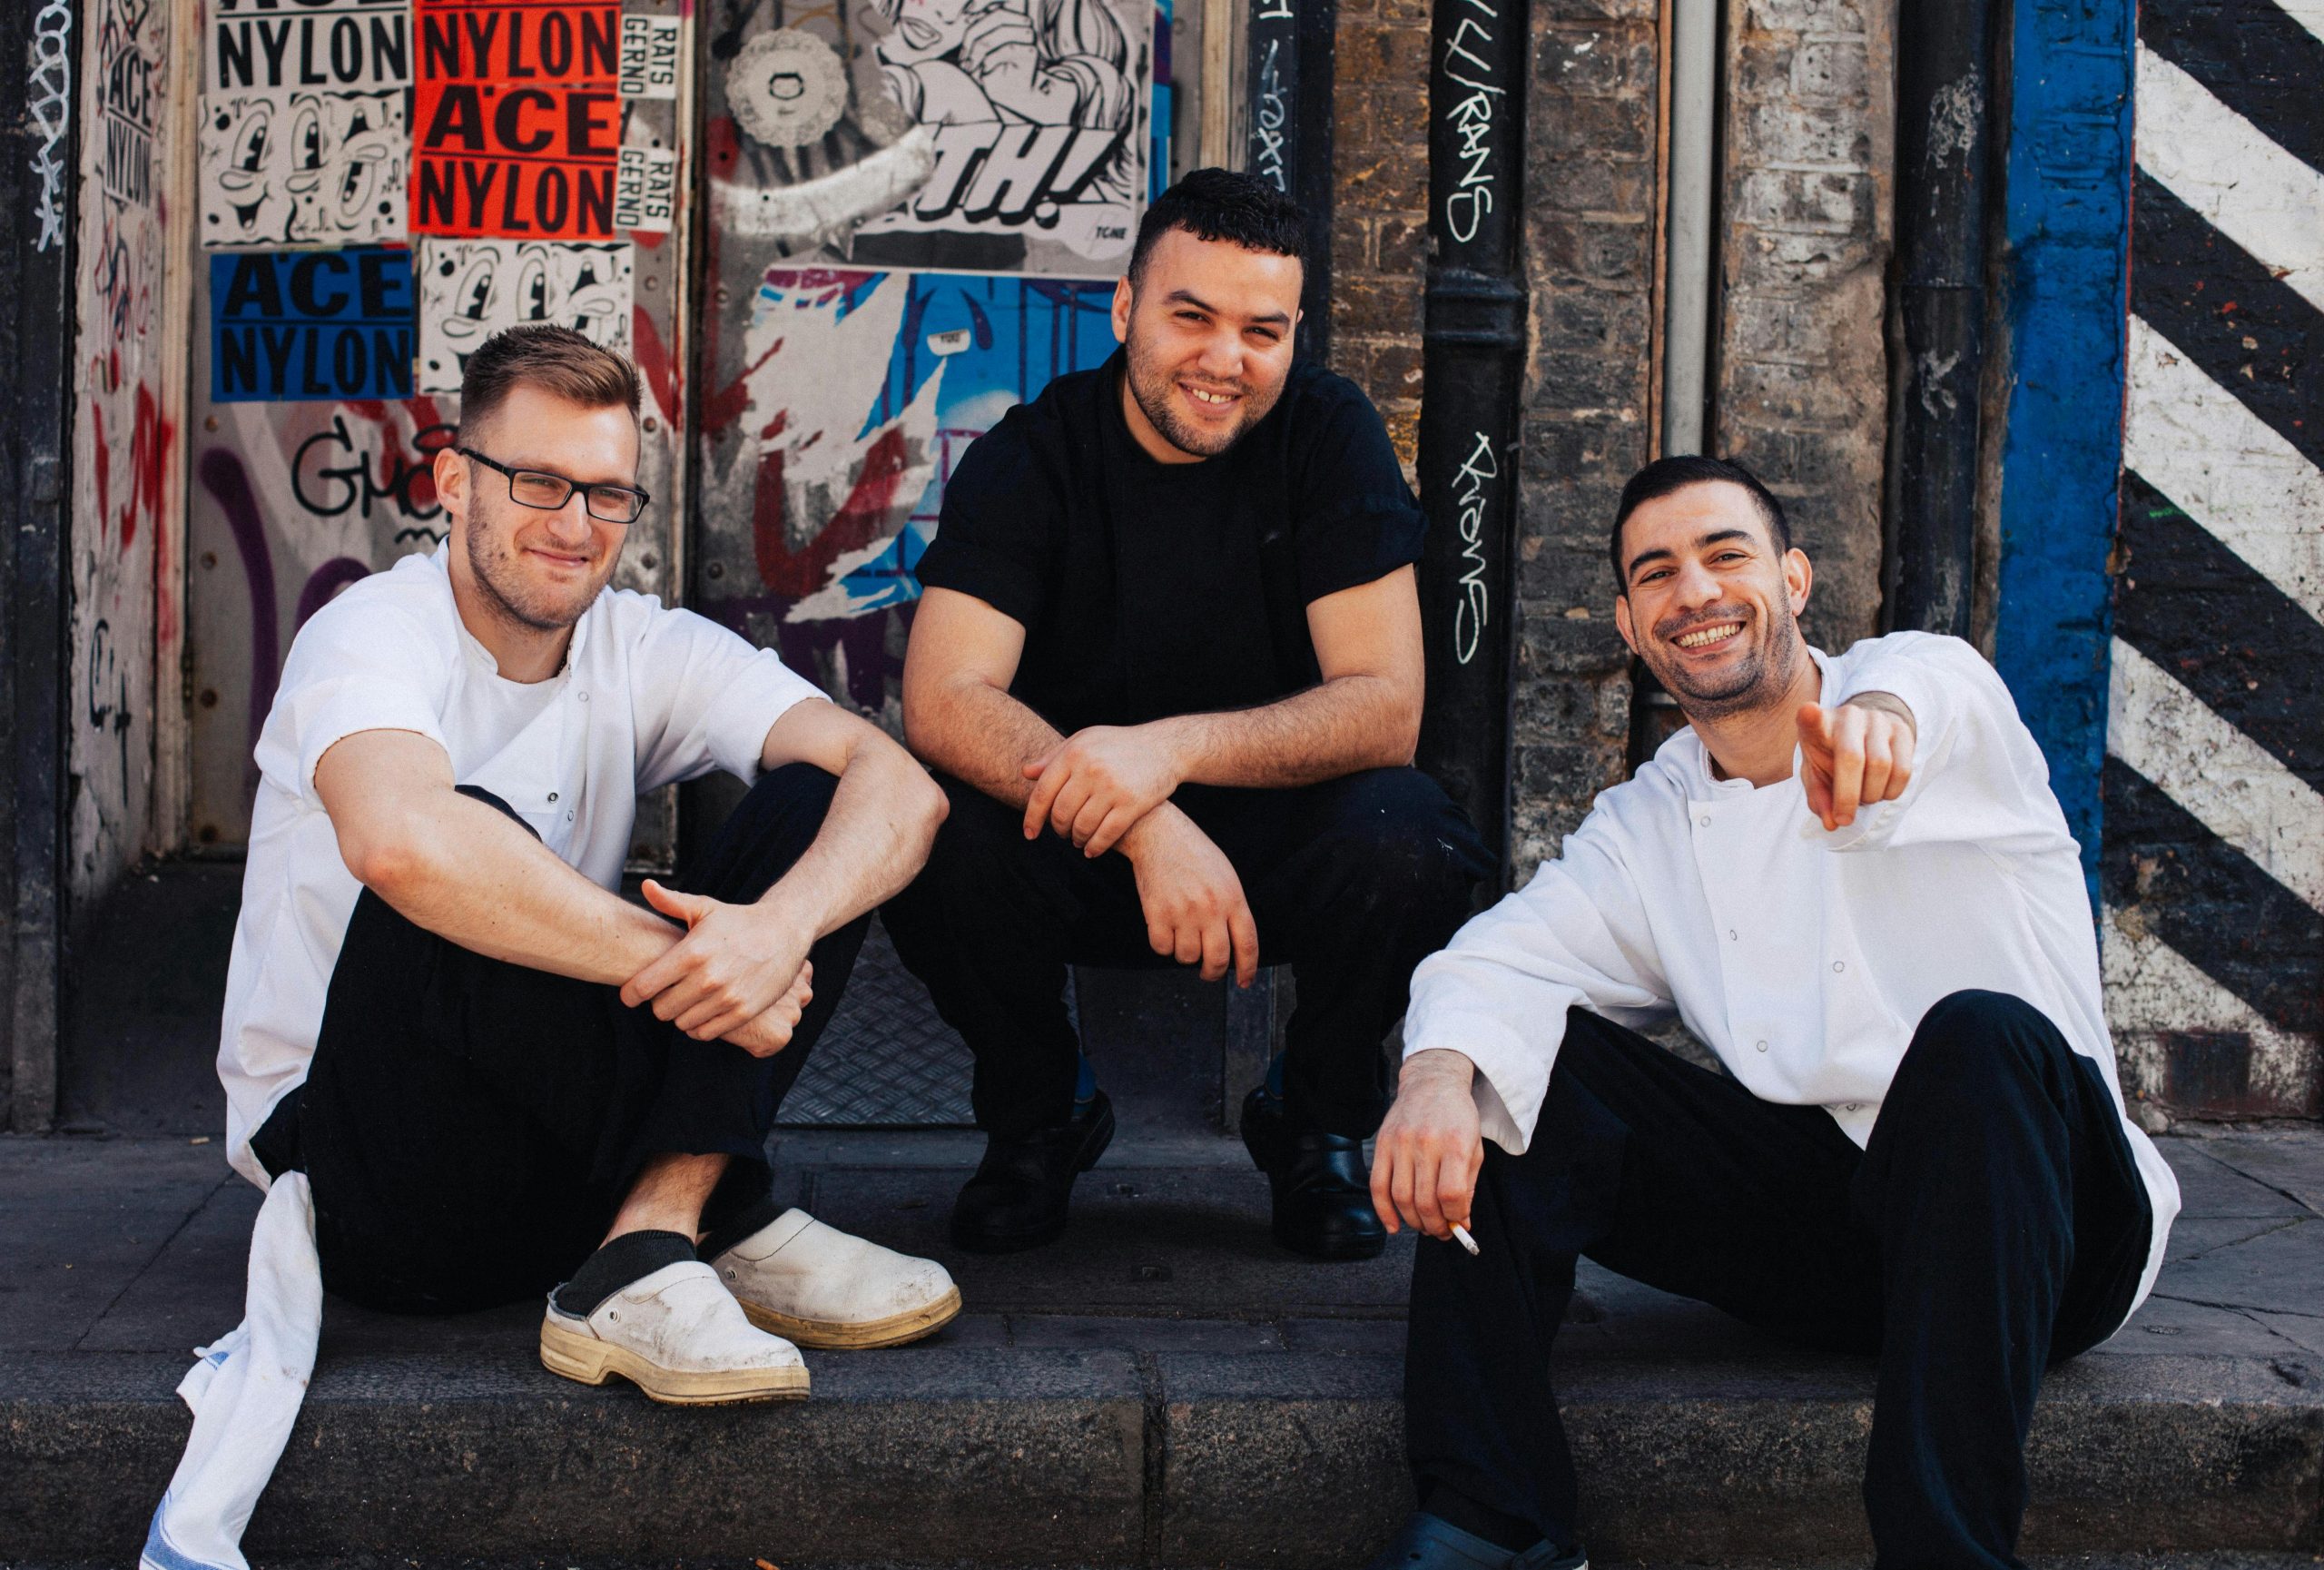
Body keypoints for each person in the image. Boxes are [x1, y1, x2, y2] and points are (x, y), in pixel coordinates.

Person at [1366, 456, 2181, 1570]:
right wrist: (1432, 1079)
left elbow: (1921, 693)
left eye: (1725, 555)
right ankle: (1489, 1514)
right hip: (1841, 1238)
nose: (1693, 592)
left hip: (2049, 1231)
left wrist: (1880, 722)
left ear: (1794, 579)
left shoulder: (1929, 696)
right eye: (1657, 574)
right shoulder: (1652, 819)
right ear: (1629, 622)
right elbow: (1502, 957)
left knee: (1977, 1037)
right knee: (1509, 1055)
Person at [222, 325, 958, 1405]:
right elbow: (399, 841)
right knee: (453, 851)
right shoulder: (371, 632)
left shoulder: (636, 644)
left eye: (607, 494)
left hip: (557, 1157)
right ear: (454, 483)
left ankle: (659, 1232)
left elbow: (903, 787)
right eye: (537, 483)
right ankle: (721, 1209)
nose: (575, 526)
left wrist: (774, 932)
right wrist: (699, 961)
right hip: (367, 1178)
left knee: (819, 803)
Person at [884, 168, 1492, 1261]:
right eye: (1191, 316)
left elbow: (1385, 706)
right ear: (1124, 312)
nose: (1225, 360)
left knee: (1415, 840)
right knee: (923, 829)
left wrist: (1165, 755)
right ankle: (1040, 1113)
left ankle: (1315, 1117)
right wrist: (1144, 818)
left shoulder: (1326, 435)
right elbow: (940, 698)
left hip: (1272, 845)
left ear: (1296, 333)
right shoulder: (1035, 453)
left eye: (1263, 330)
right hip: (1075, 836)